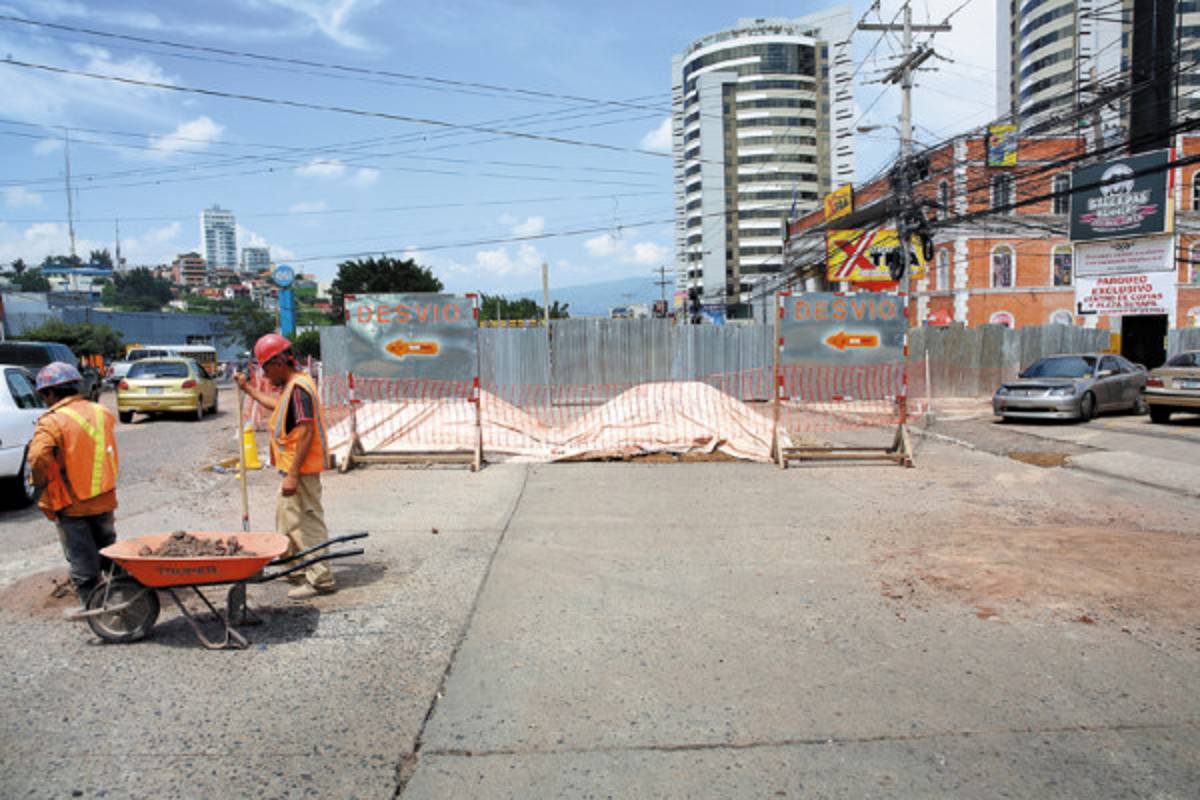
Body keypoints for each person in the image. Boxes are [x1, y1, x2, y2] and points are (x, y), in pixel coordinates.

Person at [235, 333, 335, 599]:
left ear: (279, 362)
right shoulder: (292, 388)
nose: (266, 377)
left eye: (266, 369)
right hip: (293, 470)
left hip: (300, 472)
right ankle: (296, 568)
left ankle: (320, 579)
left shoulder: (299, 389)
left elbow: (306, 431)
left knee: (307, 524)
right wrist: (248, 390)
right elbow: (278, 407)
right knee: (288, 521)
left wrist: (292, 475)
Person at [28, 362, 120, 607]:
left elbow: (38, 457)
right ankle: (123, 594)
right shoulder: (102, 413)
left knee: (82, 558)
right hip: (104, 496)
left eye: (44, 396)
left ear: (49, 393)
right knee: (108, 549)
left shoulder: (53, 421)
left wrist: (40, 483)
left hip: (72, 502)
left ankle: (95, 609)